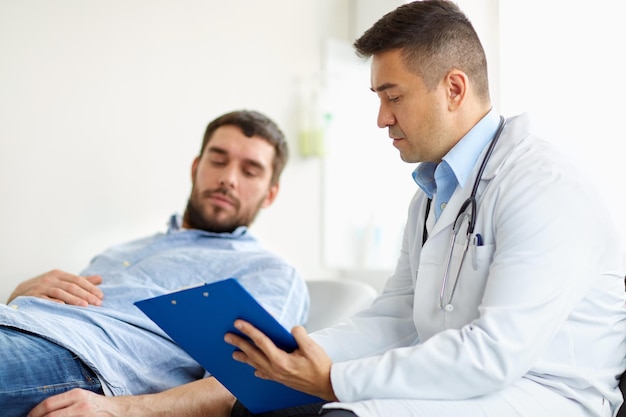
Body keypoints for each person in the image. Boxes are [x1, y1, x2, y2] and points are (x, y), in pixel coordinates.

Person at [224, 2, 626, 417]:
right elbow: (396, 318)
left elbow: (494, 353)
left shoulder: (545, 185)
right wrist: (293, 356)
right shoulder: (433, 194)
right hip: (465, 383)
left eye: (393, 96)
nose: (382, 119)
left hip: (546, 395)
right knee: (260, 408)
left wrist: (332, 379)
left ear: (454, 89)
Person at [1, 109, 310, 417]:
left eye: (250, 171)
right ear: (195, 167)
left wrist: (120, 410)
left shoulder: (269, 271)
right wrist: (20, 296)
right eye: (218, 160)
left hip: (79, 358)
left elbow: (244, 385)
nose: (228, 179)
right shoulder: (124, 249)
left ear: (270, 194)